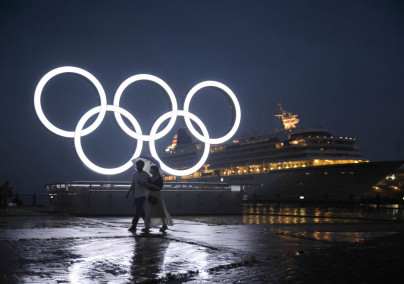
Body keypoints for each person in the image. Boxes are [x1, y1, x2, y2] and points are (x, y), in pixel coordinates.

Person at [140, 165, 174, 233]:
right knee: (148, 211)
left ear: (155, 170)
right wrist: (143, 184)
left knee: (160, 211)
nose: (150, 170)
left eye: (151, 169)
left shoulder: (159, 179)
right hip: (150, 194)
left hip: (157, 195)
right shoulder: (149, 178)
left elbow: (159, 188)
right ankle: (147, 226)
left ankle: (164, 225)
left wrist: (150, 185)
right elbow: (148, 187)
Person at [126, 160, 150, 232]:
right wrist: (129, 193)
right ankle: (147, 224)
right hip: (136, 195)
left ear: (142, 166)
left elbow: (148, 185)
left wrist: (141, 184)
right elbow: (133, 185)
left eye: (138, 165)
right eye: (136, 165)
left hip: (142, 195)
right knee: (141, 211)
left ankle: (133, 226)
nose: (137, 166)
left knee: (138, 211)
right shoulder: (135, 174)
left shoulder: (146, 175)